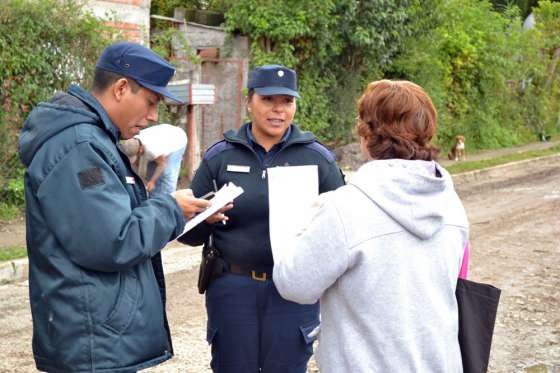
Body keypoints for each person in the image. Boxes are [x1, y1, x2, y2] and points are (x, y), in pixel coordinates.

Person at [18, 41, 217, 373]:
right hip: (92, 345)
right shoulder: (79, 147)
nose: (153, 116)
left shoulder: (93, 140)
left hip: (98, 338)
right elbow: (112, 241)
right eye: (151, 102)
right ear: (122, 88)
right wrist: (170, 208)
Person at [272, 80, 470, 372]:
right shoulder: (451, 204)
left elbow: (294, 285)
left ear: (366, 133)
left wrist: (304, 223)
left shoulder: (344, 207)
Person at [178, 64, 345, 373]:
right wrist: (207, 218)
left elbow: (346, 227)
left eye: (287, 101)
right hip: (233, 289)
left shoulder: (316, 159)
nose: (278, 110)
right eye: (268, 100)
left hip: (294, 291)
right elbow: (187, 233)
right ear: (249, 102)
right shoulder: (221, 157)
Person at [121, 123, 187, 195]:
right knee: (151, 173)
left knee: (167, 174)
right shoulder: (133, 140)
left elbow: (162, 164)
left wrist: (152, 181)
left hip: (177, 139)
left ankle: (169, 199)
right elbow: (134, 164)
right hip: (162, 138)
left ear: (140, 150)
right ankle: (154, 196)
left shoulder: (151, 150)